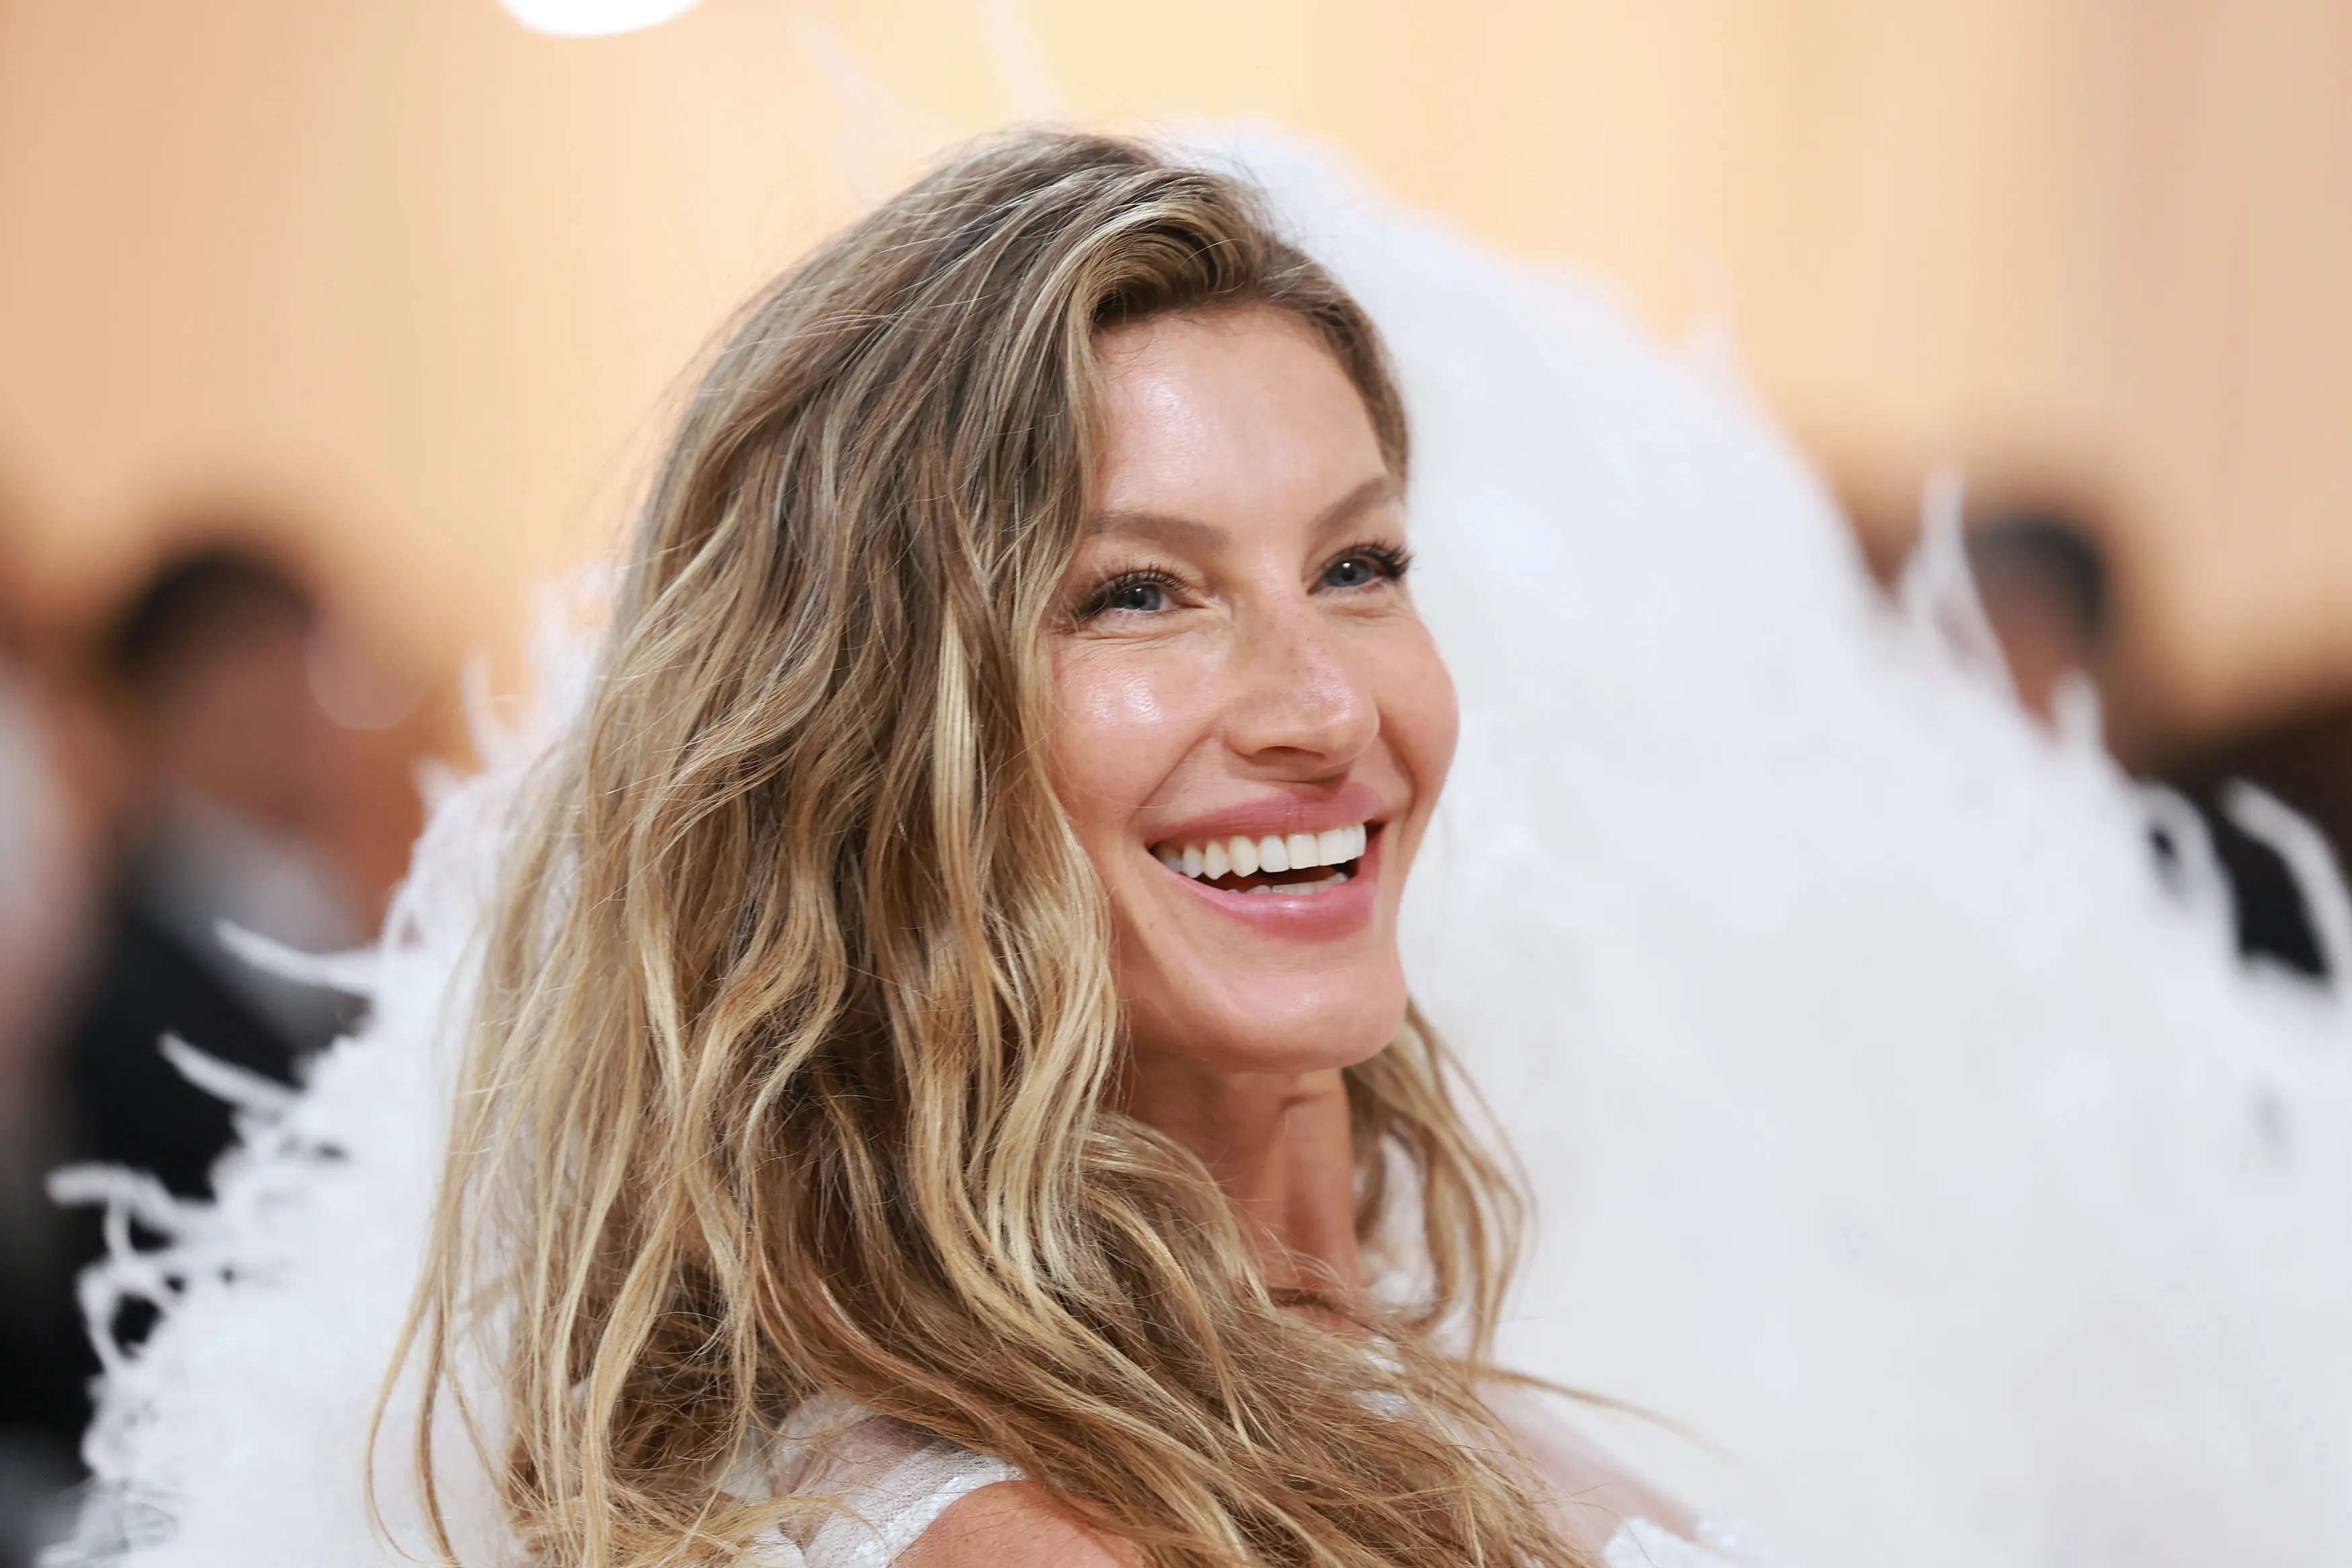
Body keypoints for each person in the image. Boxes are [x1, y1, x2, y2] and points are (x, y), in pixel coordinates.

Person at [402, 132, 1701, 1568]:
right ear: (874, 740)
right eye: (1139, 594)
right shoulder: (1018, 1538)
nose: (1324, 705)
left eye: (1357, 568)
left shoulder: (1381, 1384)